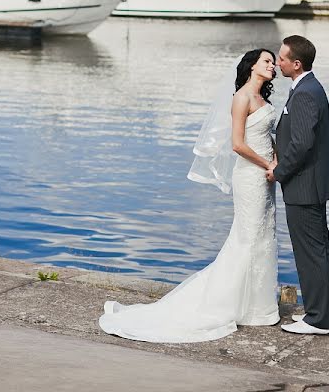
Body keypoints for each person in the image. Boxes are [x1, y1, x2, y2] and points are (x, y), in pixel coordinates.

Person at [99, 49, 281, 342]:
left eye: (273, 62)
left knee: (263, 237)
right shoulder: (242, 97)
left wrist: (277, 160)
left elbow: (265, 137)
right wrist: (267, 163)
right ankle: (225, 304)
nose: (272, 66)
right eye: (267, 61)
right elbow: (237, 144)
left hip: (266, 177)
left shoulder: (264, 100)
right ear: (251, 66)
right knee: (246, 238)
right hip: (249, 175)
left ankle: (258, 308)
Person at [267, 35, 329, 335]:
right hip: (309, 186)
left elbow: (302, 143)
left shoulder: (307, 92)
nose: (277, 62)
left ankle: (319, 320)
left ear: (296, 64)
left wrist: (279, 171)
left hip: (304, 187)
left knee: (311, 253)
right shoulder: (306, 87)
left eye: (282, 59)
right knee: (319, 251)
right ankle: (324, 313)